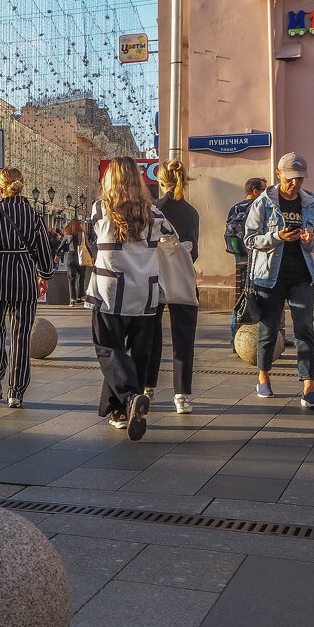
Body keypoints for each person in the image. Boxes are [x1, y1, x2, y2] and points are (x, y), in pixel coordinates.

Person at [85, 157, 176, 440]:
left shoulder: (100, 210)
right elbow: (173, 239)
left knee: (108, 349)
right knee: (136, 354)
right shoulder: (155, 215)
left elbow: (91, 242)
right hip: (145, 293)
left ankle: (129, 396)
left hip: (110, 291)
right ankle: (119, 412)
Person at [245, 152, 314, 408]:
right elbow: (250, 240)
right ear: (279, 174)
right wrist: (277, 237)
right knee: (269, 331)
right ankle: (264, 378)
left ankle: (309, 388)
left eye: (300, 178)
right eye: (291, 178)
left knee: (305, 330)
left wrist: (311, 240)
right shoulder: (263, 203)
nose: (295, 184)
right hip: (270, 277)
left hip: (302, 276)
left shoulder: (311, 203)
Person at [0, 166, 56, 409]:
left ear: (0, 188)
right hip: (25, 280)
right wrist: (44, 276)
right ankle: (16, 392)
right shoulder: (34, 215)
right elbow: (43, 249)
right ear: (22, 185)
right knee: (21, 337)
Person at [146, 159, 201, 415]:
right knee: (184, 338)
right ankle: (182, 396)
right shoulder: (191, 212)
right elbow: (195, 253)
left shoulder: (154, 209)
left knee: (151, 335)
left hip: (155, 280)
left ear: (160, 181)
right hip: (183, 280)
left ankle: (148, 387)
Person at [225, 177, 267, 340]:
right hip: (256, 254)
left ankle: (236, 333)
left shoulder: (235, 207)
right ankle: (263, 336)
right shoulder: (258, 206)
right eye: (264, 190)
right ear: (256, 191)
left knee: (241, 295)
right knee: (259, 295)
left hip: (239, 254)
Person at [62, 218, 89, 305]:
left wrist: (57, 254)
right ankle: (80, 297)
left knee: (71, 278)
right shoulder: (82, 233)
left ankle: (72, 299)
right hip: (80, 256)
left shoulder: (67, 233)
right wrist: (92, 256)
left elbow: (62, 244)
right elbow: (87, 245)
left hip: (71, 256)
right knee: (81, 278)